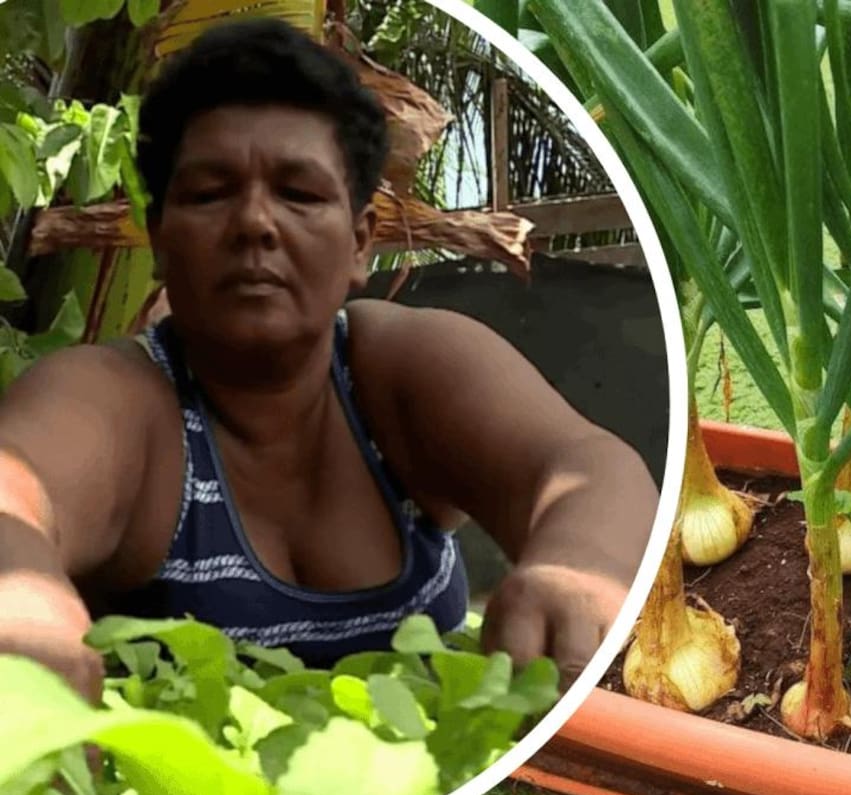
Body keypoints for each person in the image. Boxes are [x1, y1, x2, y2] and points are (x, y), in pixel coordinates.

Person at [0, 18, 658, 703]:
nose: (256, 223)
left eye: (300, 194)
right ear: (160, 242)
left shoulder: (399, 370)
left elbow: (588, 467)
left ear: (359, 244)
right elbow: (13, 490)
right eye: (210, 193)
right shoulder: (121, 398)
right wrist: (19, 589)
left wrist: (580, 566)